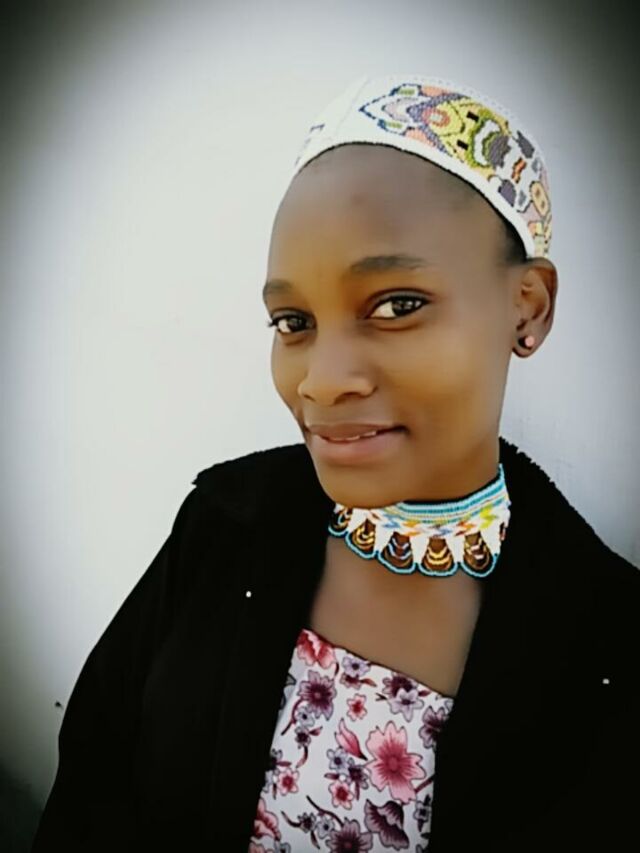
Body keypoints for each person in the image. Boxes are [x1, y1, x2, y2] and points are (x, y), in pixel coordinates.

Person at [31, 74, 639, 852]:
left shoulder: (614, 648)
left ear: (528, 306)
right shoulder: (222, 525)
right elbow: (93, 783)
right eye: (293, 321)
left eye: (396, 305)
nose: (320, 380)